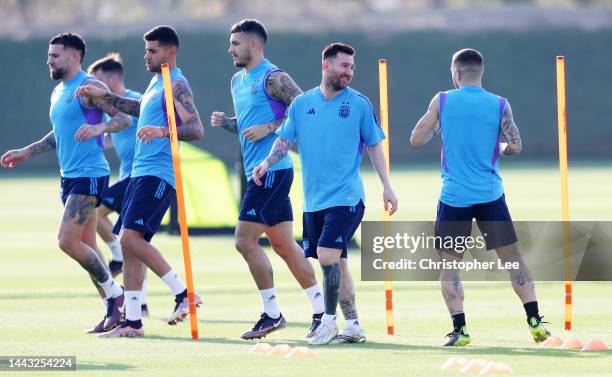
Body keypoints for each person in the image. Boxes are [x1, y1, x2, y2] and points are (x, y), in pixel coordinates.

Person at [253, 42, 398, 345]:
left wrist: (386, 185)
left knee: (327, 256)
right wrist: (266, 162)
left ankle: (328, 322)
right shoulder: (302, 104)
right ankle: (354, 324)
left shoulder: (358, 103)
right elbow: (284, 141)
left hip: (346, 197)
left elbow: (374, 145)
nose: (349, 72)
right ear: (326, 66)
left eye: (352, 67)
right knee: (338, 264)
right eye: (344, 66)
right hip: (314, 201)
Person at [409, 48, 551, 346]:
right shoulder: (500, 104)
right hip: (490, 195)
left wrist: (437, 128)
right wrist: (495, 147)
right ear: (480, 72)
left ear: (456, 73)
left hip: (454, 197)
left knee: (450, 266)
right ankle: (534, 320)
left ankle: (460, 329)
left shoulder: (443, 100)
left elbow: (416, 138)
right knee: (513, 260)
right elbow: (515, 146)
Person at [76, 25, 204, 338]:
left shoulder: (177, 83)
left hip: (158, 173)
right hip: (140, 173)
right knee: (130, 246)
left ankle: (184, 293)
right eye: (146, 50)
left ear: (170, 52)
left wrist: (164, 132)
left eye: (153, 50)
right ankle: (132, 322)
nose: (146, 55)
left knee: (131, 240)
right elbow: (137, 110)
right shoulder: (154, 83)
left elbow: (196, 128)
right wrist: (104, 96)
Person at [0, 32, 129, 333]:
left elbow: (123, 120)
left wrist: (99, 127)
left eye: (55, 55)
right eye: (48, 55)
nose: (49, 60)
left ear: (74, 57)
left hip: (90, 174)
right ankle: (113, 313)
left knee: (67, 241)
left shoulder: (89, 87)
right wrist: (26, 151)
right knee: (87, 246)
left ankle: (116, 295)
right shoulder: (59, 91)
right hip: (69, 176)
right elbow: (59, 133)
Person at [211, 19, 325, 340]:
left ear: (254, 45)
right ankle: (321, 311)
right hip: (257, 173)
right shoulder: (237, 80)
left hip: (272, 172)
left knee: (243, 241)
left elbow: (307, 111)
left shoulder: (274, 77)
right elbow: (250, 127)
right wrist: (229, 123)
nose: (230, 48)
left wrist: (270, 127)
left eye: (235, 43)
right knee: (284, 246)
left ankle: (272, 314)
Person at [87, 53, 151, 316]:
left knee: (96, 210)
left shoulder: (135, 100)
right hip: (127, 176)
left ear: (113, 79)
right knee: (133, 239)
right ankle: (142, 303)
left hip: (138, 177)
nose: (97, 87)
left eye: (99, 81)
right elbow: (120, 133)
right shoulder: (112, 108)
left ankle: (116, 256)